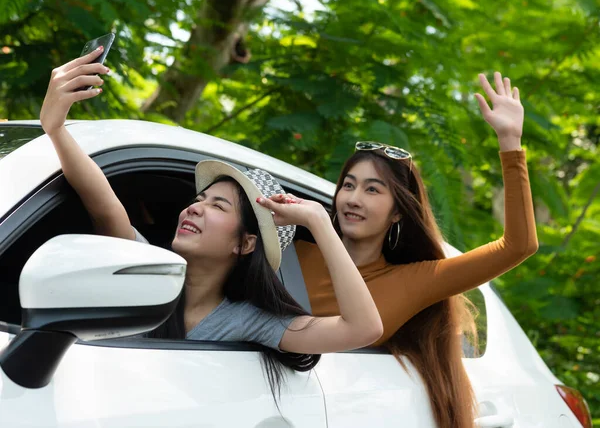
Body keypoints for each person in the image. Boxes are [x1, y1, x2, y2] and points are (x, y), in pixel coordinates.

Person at [39, 46, 383, 397]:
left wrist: (318, 222)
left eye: (218, 206)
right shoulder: (146, 274)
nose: (194, 208)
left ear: (245, 243)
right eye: (198, 200)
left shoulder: (252, 321)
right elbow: (105, 207)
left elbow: (363, 328)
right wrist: (56, 130)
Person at [277, 72, 538, 428]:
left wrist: (510, 142)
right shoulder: (290, 253)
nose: (353, 199)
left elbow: (518, 246)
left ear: (398, 210)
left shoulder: (416, 280)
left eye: (372, 190)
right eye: (348, 185)